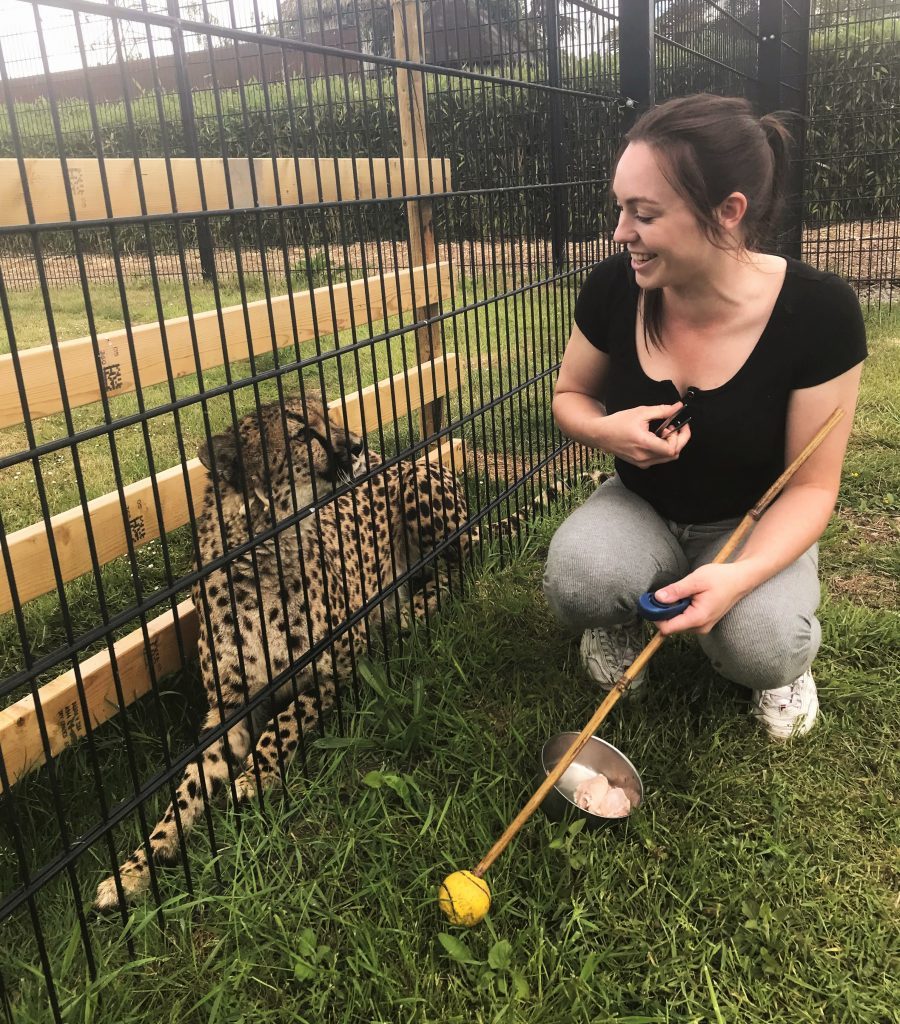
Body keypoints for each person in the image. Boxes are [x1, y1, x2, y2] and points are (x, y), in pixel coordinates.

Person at [543, 94, 867, 741]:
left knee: (764, 646)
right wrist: (605, 431)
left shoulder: (819, 313)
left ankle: (779, 663)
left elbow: (812, 487)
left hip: (751, 523)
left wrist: (740, 575)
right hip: (641, 506)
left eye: (644, 213)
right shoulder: (614, 287)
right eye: (619, 208)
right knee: (579, 582)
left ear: (728, 212)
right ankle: (620, 615)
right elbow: (568, 396)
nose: (619, 232)